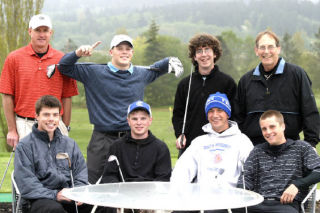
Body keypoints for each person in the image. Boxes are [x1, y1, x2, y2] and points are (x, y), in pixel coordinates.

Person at [58, 34, 183, 183]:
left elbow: (159, 67)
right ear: (111, 52)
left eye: (128, 49)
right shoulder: (93, 72)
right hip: (102, 139)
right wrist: (78, 53)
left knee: (128, 185)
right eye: (120, 48)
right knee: (93, 185)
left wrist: (170, 60)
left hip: (130, 140)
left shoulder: (142, 74)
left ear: (132, 53)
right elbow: (64, 67)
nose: (124, 52)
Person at [0, 14, 78, 149]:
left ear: (51, 33)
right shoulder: (14, 58)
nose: (42, 35)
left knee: (58, 168)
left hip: (55, 124)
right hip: (25, 125)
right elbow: (7, 95)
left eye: (45, 31)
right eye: (37, 30)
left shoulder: (62, 60)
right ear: (30, 32)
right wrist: (12, 130)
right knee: (26, 169)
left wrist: (65, 126)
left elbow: (67, 97)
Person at [234, 30, 320, 147]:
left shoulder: (297, 75)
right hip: (254, 148)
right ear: (256, 51)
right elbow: (238, 117)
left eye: (271, 47)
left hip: (290, 147)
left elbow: (310, 111)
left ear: (278, 49)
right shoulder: (246, 81)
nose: (266, 51)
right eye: (262, 47)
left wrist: (311, 143)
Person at [14, 95, 92, 213]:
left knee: (101, 205)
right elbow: (27, 183)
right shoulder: (24, 146)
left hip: (69, 195)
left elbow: (80, 173)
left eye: (55, 115)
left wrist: (77, 192)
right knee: (54, 210)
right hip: (39, 199)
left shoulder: (70, 144)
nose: (51, 119)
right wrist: (55, 195)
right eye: (46, 114)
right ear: (37, 116)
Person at [237, 110, 320, 213]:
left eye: (272, 127)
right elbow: (245, 179)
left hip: (286, 206)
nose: (268, 132)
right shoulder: (257, 151)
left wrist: (297, 185)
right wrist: (243, 191)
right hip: (258, 204)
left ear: (283, 126)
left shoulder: (301, 148)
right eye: (264, 129)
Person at [172, 33, 237, 156]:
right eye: (199, 51)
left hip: (219, 146)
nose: (204, 54)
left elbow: (235, 114)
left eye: (207, 49)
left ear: (215, 54)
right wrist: (180, 134)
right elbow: (178, 114)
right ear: (194, 57)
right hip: (190, 147)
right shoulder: (185, 84)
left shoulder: (227, 82)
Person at [171, 92, 253, 188]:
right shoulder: (199, 142)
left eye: (219, 110)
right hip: (204, 199)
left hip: (233, 199)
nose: (215, 115)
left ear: (227, 114)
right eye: (211, 111)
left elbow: (251, 175)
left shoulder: (242, 141)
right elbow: (181, 171)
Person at [101, 100, 172, 183]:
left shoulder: (161, 148)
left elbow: (163, 179)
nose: (139, 123)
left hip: (150, 194)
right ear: (128, 121)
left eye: (143, 118)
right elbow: (109, 176)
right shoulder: (116, 146)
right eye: (134, 119)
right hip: (122, 193)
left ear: (150, 120)